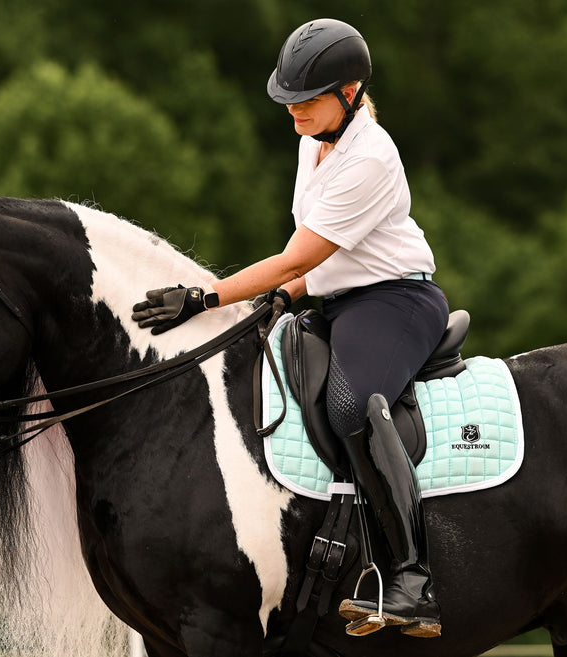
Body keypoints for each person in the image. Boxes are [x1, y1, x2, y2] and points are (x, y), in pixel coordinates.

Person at [131, 18, 448, 639]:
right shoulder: (313, 142)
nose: (294, 110)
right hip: (331, 297)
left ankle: (413, 579)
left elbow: (297, 256)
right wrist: (272, 300)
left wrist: (205, 296)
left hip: (394, 302)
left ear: (350, 92)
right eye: (290, 99)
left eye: (307, 99)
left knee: (352, 403)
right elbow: (314, 263)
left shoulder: (372, 157)